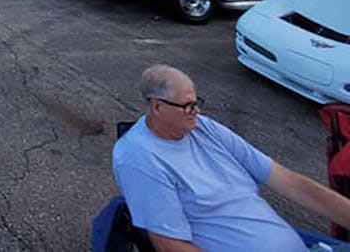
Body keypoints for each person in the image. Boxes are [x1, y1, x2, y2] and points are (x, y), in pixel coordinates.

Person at [113, 64, 350, 252]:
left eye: (197, 103)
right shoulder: (139, 157)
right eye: (188, 106)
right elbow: (168, 245)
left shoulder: (204, 128)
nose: (197, 112)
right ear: (157, 107)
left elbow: (290, 182)